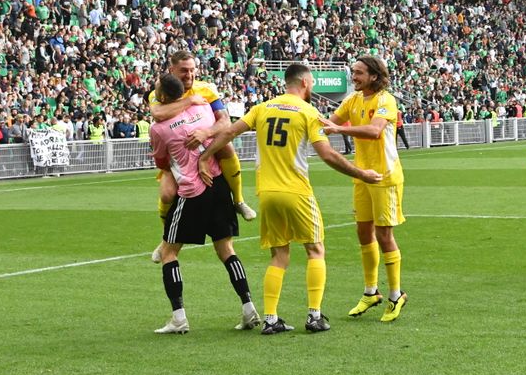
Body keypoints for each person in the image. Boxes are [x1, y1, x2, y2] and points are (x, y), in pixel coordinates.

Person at [199, 63, 382, 335]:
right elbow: (328, 155)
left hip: (267, 193)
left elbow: (228, 132)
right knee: (315, 250)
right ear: (306, 83)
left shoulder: (263, 107)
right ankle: (314, 316)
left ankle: (271, 319)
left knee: (279, 254)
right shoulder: (308, 112)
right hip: (296, 191)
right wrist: (361, 173)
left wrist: (204, 156)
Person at [150, 73, 260, 334]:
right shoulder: (201, 107)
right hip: (219, 185)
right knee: (226, 250)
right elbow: (222, 128)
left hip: (192, 192)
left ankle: (178, 318)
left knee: (169, 253)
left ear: (164, 96)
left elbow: (161, 162)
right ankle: (249, 308)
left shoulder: (158, 128)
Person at [320, 56, 408, 322]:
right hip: (361, 175)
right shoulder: (352, 100)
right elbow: (328, 122)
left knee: (384, 235)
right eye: (353, 73)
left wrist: (338, 129)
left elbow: (374, 131)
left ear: (373, 75)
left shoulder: (385, 100)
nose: (354, 77)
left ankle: (396, 295)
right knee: (363, 232)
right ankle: (371, 291)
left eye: (358, 73)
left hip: (384, 176)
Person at [149, 50, 256, 263]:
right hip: (178, 158)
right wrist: (190, 102)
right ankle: (166, 239)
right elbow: (158, 114)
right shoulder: (160, 92)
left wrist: (206, 133)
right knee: (167, 195)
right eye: (183, 71)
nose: (189, 75)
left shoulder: (206, 88)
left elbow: (225, 121)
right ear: (172, 70)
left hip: (207, 146)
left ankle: (240, 200)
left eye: (192, 70)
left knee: (227, 149)